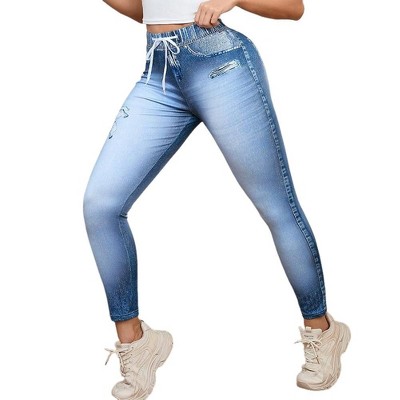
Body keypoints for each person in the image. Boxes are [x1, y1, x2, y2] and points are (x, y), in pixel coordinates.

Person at [83, 0, 351, 398]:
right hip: (159, 72)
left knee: (276, 205)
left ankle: (323, 330)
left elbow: (293, 8)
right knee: (100, 206)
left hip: (221, 64)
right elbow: (144, 11)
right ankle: (137, 343)